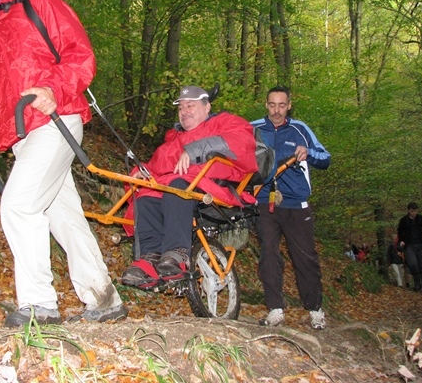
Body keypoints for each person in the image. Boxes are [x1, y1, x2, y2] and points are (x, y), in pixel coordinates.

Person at [0, 0, 126, 327]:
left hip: (57, 122)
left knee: (19, 205)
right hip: (23, 134)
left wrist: (53, 89)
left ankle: (39, 304)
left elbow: (82, 58)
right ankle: (104, 298)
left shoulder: (41, 4)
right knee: (63, 216)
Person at [121, 85, 258, 288]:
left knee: (177, 186)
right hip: (179, 189)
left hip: (213, 188)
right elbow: (154, 167)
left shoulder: (225, 123)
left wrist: (196, 150)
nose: (184, 111)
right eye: (181, 107)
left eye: (190, 105)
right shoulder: (173, 141)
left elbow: (242, 142)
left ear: (207, 107)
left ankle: (177, 254)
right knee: (147, 195)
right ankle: (149, 258)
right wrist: (139, 174)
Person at [251, 86, 331, 330]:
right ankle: (275, 308)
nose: (277, 110)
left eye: (282, 105)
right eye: (272, 105)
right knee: (269, 254)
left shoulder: (300, 129)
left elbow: (325, 158)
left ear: (289, 105)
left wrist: (308, 154)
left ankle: (315, 309)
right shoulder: (253, 128)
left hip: (297, 203)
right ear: (266, 105)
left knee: (305, 257)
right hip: (263, 200)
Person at [397, 202, 422, 293]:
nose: (414, 213)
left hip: (420, 243)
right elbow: (400, 231)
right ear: (408, 210)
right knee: (412, 264)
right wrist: (401, 240)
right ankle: (417, 283)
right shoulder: (404, 220)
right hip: (409, 245)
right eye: (412, 211)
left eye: (415, 211)